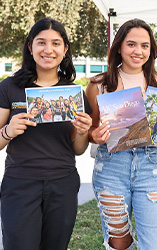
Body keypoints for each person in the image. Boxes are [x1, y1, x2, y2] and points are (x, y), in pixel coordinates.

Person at [86, 18, 157, 250]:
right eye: (131, 44)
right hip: (111, 167)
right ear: (119, 47)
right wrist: (95, 135)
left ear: (151, 51)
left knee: (155, 246)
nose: (138, 51)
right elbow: (89, 129)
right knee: (119, 244)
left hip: (151, 166)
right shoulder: (99, 84)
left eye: (145, 46)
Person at [0, 18, 92, 250]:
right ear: (30, 47)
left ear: (65, 50)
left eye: (56, 43)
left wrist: (83, 132)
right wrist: (8, 131)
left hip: (63, 183)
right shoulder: (9, 87)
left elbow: (78, 150)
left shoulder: (74, 94)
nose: (48, 50)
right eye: (41, 42)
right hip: (20, 184)